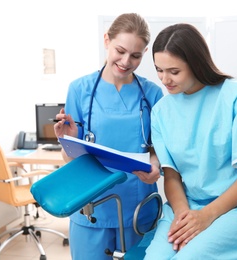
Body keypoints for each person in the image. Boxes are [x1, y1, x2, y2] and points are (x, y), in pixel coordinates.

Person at [144, 23, 237, 259]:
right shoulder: (161, 112)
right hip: (189, 205)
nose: (165, 79)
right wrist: (185, 216)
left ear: (196, 64)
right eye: (159, 70)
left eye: (174, 71)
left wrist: (206, 216)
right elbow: (172, 177)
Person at [53, 13, 164, 260]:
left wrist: (155, 166)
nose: (126, 61)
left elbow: (160, 150)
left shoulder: (153, 94)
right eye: (120, 50)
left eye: (136, 55)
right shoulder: (79, 90)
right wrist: (67, 141)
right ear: (107, 40)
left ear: (145, 53)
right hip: (91, 206)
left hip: (138, 208)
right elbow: (71, 160)